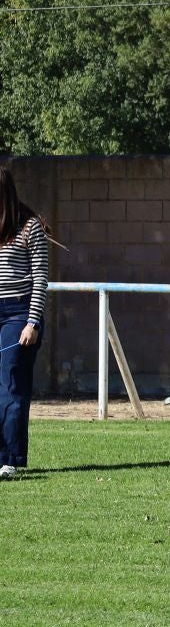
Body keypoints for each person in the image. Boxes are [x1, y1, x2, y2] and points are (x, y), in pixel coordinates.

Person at [0, 166, 49, 480]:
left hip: (18, 314)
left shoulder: (31, 228)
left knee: (11, 386)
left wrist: (32, 322)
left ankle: (10, 458)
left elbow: (41, 279)